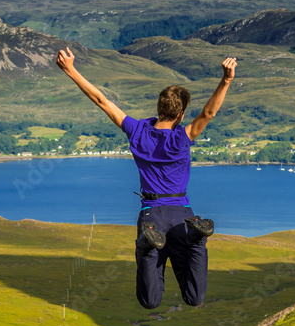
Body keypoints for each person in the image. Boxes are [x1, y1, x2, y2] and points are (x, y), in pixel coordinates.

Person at [55, 47, 237, 309]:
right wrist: (226, 79)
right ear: (181, 115)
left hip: (151, 216)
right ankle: (197, 241)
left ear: (159, 108)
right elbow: (208, 113)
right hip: (182, 216)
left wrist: (71, 69)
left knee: (150, 302)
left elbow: (101, 100)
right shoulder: (181, 137)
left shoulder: (137, 130)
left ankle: (148, 247)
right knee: (194, 299)